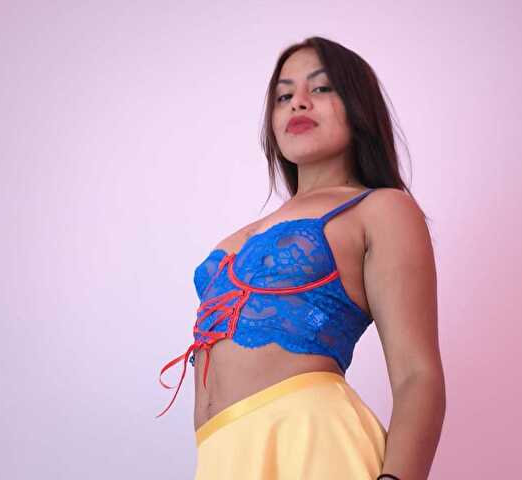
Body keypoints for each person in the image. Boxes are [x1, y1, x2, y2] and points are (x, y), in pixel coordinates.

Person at [157, 36, 445, 480]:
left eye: (322, 88)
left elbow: (416, 375)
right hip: (222, 455)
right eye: (283, 96)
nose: (299, 103)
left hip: (314, 446)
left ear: (359, 106)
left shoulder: (380, 209)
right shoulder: (241, 233)